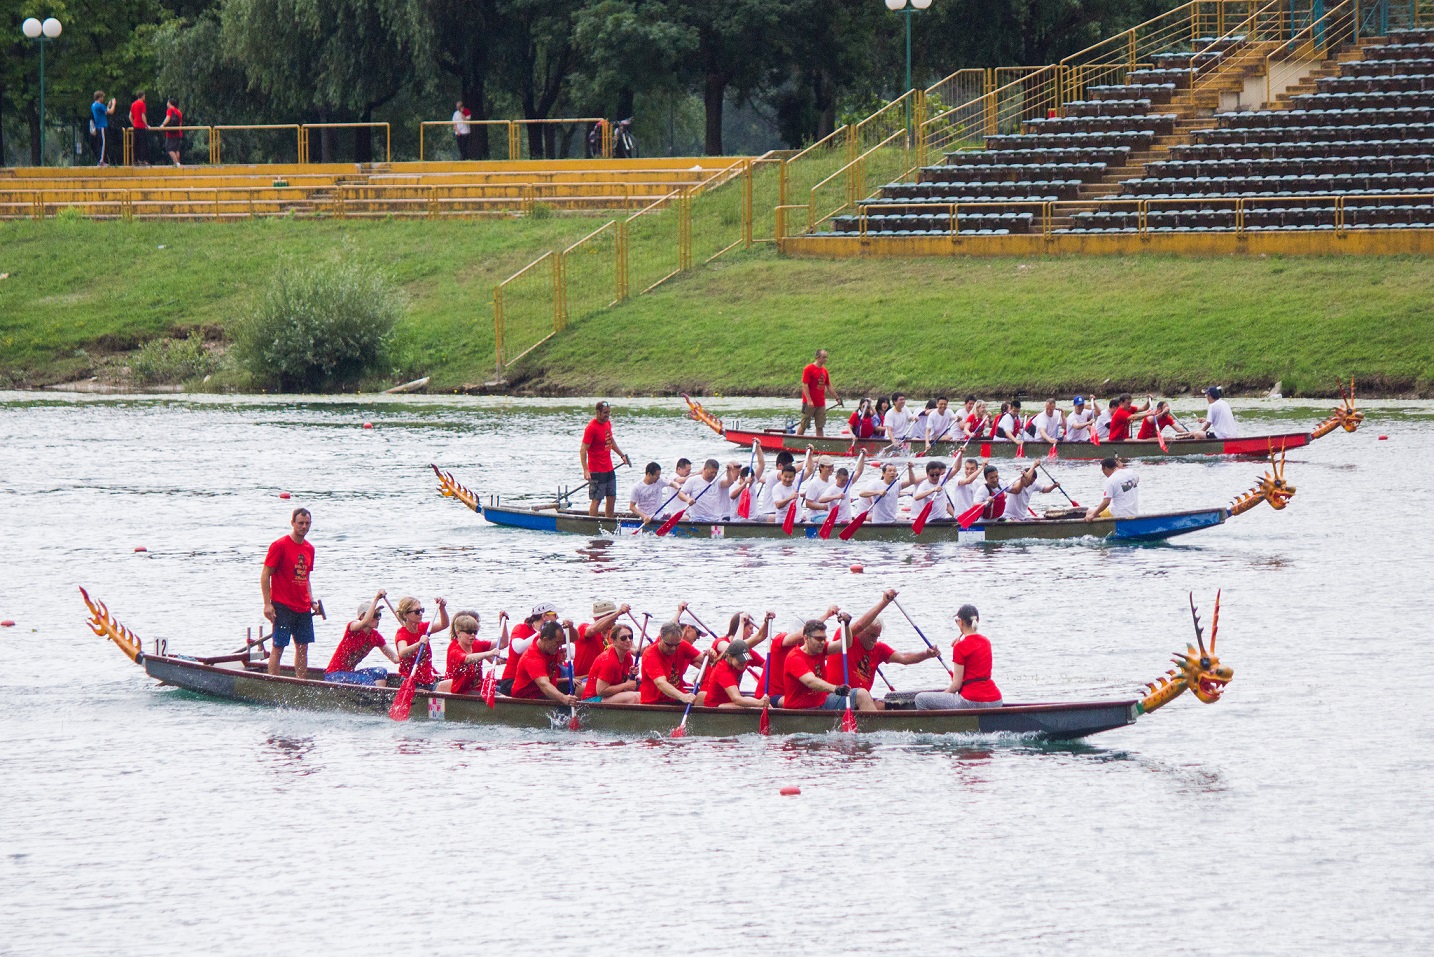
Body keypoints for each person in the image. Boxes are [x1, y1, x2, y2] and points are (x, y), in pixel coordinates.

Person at [823, 589, 939, 704]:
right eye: (872, 636)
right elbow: (859, 625)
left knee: (889, 705)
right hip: (836, 697)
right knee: (864, 696)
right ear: (861, 632)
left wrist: (927, 654)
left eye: (877, 636)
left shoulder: (879, 648)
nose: (875, 640)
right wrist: (884, 602)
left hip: (860, 700)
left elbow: (904, 658)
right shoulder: (846, 637)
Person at [262, 507, 320, 679]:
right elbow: (265, 575)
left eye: (307, 523)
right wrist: (267, 604)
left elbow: (306, 577)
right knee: (279, 646)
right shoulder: (279, 546)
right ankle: (274, 683)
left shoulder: (310, 549)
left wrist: (312, 601)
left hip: (302, 607)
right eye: (300, 523)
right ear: (292, 523)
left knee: (303, 647)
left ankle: (300, 684)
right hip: (282, 605)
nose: (304, 527)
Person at [913, 604, 1003, 710]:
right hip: (996, 700)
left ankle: (934, 726)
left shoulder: (960, 646)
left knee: (920, 699)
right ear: (977, 621)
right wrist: (961, 636)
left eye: (957, 621)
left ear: (960, 622)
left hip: (972, 701)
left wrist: (943, 695)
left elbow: (956, 686)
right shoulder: (986, 641)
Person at [782, 616, 877, 712]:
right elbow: (810, 681)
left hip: (823, 704)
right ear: (806, 638)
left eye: (824, 638)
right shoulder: (795, 657)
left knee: (862, 694)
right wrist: (836, 689)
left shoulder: (821, 649)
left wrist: (846, 626)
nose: (822, 642)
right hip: (800, 710)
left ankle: (875, 726)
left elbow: (846, 644)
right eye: (819, 639)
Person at [756, 605, 840, 705]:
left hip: (793, 693)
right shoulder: (780, 640)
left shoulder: (809, 647)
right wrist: (826, 615)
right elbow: (800, 636)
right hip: (771, 695)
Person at [324, 591, 399, 685]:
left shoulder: (375, 636)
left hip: (349, 674)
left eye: (379, 615)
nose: (378, 618)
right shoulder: (352, 628)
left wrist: (415, 652)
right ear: (362, 616)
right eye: (375, 615)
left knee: (381, 671)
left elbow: (395, 659)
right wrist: (376, 599)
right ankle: (373, 696)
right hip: (334, 675)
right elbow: (364, 622)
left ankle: (379, 697)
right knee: (367, 682)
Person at [580, 400, 631, 519]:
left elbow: (611, 441)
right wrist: (585, 470)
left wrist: (622, 455)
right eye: (605, 413)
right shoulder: (591, 428)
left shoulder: (607, 423)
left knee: (611, 496)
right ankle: (592, 523)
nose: (607, 415)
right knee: (597, 499)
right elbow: (583, 450)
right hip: (596, 470)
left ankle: (610, 521)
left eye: (609, 412)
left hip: (609, 468)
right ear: (598, 412)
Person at [510, 620, 578, 706]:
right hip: (528, 698)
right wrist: (564, 698)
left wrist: (571, 628)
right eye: (557, 643)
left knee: (579, 687)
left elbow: (575, 638)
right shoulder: (532, 657)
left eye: (561, 642)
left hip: (546, 691)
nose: (559, 647)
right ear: (545, 640)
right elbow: (544, 684)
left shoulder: (552, 641)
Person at [436, 611, 505, 695]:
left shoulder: (477, 644)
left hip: (476, 688)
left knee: (504, 690)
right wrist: (489, 653)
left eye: (475, 632)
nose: (473, 635)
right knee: (501, 696)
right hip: (461, 691)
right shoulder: (454, 650)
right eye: (469, 632)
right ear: (458, 633)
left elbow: (502, 643)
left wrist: (503, 624)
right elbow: (467, 658)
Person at [499, 602, 558, 695]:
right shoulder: (520, 628)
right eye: (555, 615)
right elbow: (517, 648)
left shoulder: (552, 634)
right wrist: (540, 634)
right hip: (511, 681)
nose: (557, 617)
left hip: (536, 680)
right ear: (544, 616)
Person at [639, 621, 702, 705]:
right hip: (656, 703)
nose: (673, 648)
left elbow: (704, 659)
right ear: (660, 639)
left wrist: (710, 654)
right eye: (669, 645)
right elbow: (661, 683)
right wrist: (682, 696)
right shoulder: (650, 654)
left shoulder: (682, 644)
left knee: (702, 697)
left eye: (677, 645)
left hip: (676, 698)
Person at [394, 596, 450, 691]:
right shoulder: (402, 633)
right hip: (411, 683)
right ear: (406, 615)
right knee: (426, 693)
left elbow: (444, 624)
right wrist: (419, 644)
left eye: (422, 610)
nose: (421, 614)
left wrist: (442, 608)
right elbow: (402, 653)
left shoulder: (424, 627)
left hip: (428, 681)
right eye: (417, 611)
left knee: (454, 684)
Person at [573, 600, 629, 690]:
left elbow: (633, 649)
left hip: (608, 679)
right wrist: (618, 613)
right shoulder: (583, 628)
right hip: (583, 680)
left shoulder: (614, 634)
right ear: (600, 618)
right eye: (611, 615)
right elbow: (591, 630)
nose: (616, 618)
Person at [700, 639, 771, 709]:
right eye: (741, 660)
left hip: (729, 702)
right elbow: (736, 699)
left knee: (767, 706)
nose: (744, 663)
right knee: (757, 706)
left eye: (745, 659)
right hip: (715, 706)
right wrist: (759, 703)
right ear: (730, 657)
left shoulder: (735, 664)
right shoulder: (723, 670)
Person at [583, 620, 640, 703]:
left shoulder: (627, 656)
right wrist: (626, 685)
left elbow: (622, 681)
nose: (628, 640)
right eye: (623, 638)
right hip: (593, 699)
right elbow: (601, 691)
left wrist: (630, 675)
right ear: (613, 641)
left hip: (610, 696)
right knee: (635, 697)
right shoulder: (608, 660)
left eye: (630, 637)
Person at [798, 349, 839, 437]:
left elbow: (828, 386)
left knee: (820, 426)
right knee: (804, 424)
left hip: (820, 403)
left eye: (826, 357)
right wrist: (809, 400)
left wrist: (837, 398)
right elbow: (805, 385)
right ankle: (797, 440)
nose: (825, 359)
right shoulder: (808, 369)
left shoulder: (824, 370)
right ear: (817, 357)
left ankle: (820, 445)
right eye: (824, 357)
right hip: (809, 403)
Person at [678, 458, 725, 523]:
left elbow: (729, 482)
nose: (713, 475)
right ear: (704, 469)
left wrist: (729, 471)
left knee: (718, 533)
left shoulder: (717, 480)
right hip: (697, 519)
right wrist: (687, 499)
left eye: (715, 473)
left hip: (716, 520)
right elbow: (681, 494)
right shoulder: (693, 480)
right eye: (711, 472)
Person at [90, 92, 116, 167]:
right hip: (102, 127)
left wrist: (109, 105)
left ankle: (101, 160)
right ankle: (101, 161)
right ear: (100, 97)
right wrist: (114, 104)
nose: (103, 98)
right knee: (103, 144)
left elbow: (104, 112)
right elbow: (111, 111)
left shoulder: (94, 105)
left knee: (101, 143)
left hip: (98, 127)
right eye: (102, 97)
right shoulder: (100, 105)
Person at [159, 98, 184, 166]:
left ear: (170, 103)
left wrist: (163, 125)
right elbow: (180, 123)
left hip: (170, 133)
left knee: (168, 148)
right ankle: (177, 163)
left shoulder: (170, 110)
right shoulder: (179, 112)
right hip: (178, 132)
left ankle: (176, 163)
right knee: (176, 149)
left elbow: (168, 118)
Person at [129, 91, 149, 166]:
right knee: (142, 144)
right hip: (141, 126)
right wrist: (146, 125)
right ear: (143, 96)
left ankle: (135, 160)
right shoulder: (142, 104)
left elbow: (130, 116)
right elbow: (143, 115)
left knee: (136, 144)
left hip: (135, 126)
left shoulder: (133, 104)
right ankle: (142, 160)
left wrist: (134, 123)